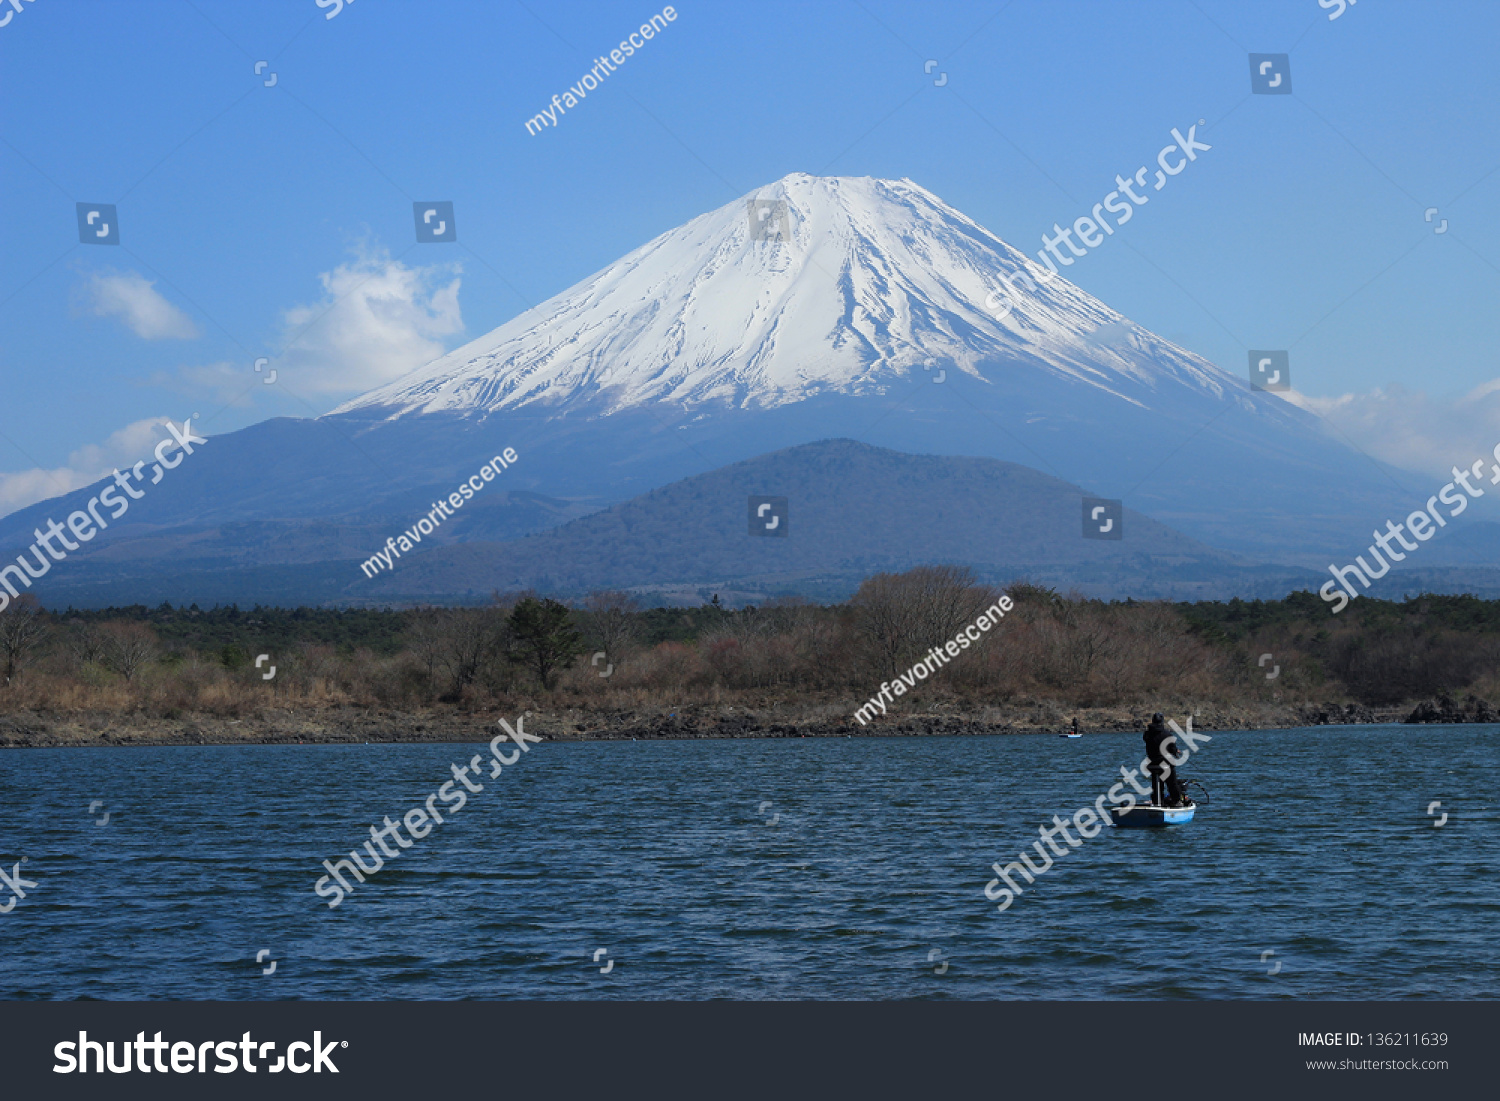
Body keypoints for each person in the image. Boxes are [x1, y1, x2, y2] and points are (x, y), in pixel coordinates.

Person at [1143, 712, 1188, 807]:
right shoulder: (1167, 734)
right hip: (1166, 764)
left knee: (1157, 785)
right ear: (1162, 721)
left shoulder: (1147, 734)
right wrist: (1176, 751)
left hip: (1152, 763)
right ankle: (1176, 801)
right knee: (1172, 783)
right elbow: (1172, 748)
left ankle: (1157, 801)